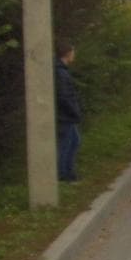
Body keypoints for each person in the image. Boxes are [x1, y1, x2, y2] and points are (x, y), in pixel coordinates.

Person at [55, 41, 82, 182]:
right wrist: (74, 112)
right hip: (65, 115)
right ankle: (64, 174)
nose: (74, 55)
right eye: (73, 52)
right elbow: (64, 96)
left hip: (66, 115)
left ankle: (68, 172)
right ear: (67, 53)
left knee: (74, 141)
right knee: (67, 144)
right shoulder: (61, 73)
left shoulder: (62, 71)